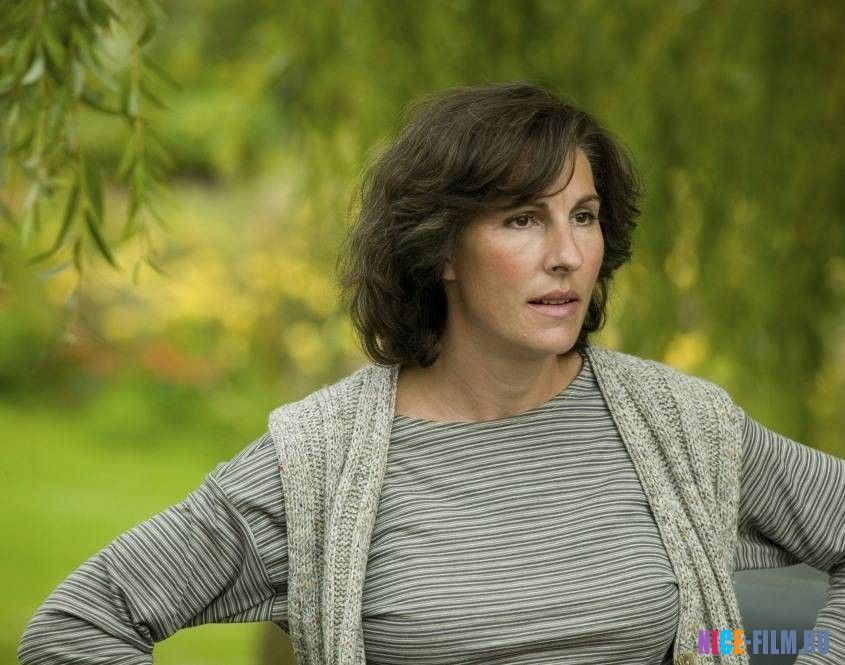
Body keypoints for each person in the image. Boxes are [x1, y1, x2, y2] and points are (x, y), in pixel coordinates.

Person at [18, 81, 845, 665]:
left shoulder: (680, 426)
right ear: (442, 248)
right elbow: (80, 624)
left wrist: (783, 653)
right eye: (522, 219)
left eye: (584, 216)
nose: (566, 253)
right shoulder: (318, 464)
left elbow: (738, 617)